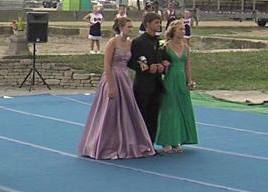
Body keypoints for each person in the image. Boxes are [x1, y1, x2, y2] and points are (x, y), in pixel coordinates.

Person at [78, 17, 155, 159]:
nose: (130, 29)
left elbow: (135, 60)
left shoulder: (130, 43)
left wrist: (144, 64)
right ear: (120, 27)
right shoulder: (112, 42)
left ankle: (126, 143)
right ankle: (104, 144)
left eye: (132, 27)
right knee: (109, 111)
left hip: (125, 78)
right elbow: (107, 65)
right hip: (113, 77)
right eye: (128, 27)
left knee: (127, 111)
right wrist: (111, 86)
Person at [156, 20, 198, 153]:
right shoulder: (166, 46)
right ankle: (166, 140)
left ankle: (178, 140)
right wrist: (163, 63)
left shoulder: (186, 47)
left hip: (181, 79)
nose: (183, 31)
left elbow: (188, 65)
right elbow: (159, 61)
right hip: (170, 78)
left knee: (181, 109)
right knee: (169, 109)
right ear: (173, 31)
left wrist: (189, 81)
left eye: (184, 29)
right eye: (180, 29)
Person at [129, 12, 169, 142]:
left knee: (153, 116)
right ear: (147, 24)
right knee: (142, 114)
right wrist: (144, 67)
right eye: (156, 22)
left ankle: (150, 143)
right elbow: (131, 61)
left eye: (160, 22)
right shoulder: (138, 42)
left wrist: (163, 66)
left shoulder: (160, 42)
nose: (159, 25)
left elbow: (165, 58)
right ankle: (139, 142)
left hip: (157, 84)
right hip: (143, 85)